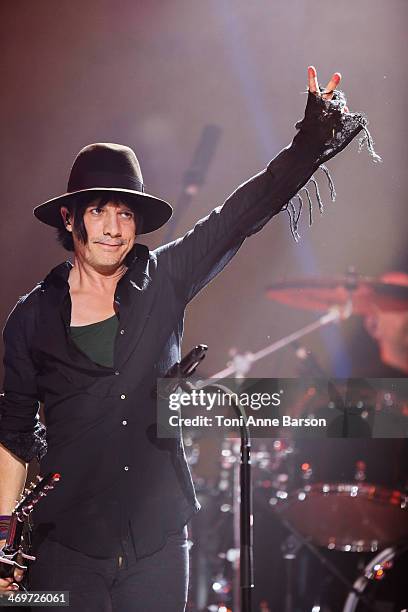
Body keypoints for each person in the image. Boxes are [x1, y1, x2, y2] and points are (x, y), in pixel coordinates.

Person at [0, 67, 374, 611]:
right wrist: (2, 544)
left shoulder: (166, 279)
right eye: (98, 210)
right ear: (70, 217)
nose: (112, 226)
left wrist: (309, 142)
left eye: (125, 213)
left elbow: (239, 216)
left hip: (157, 542)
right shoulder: (31, 317)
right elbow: (11, 437)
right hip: (67, 550)